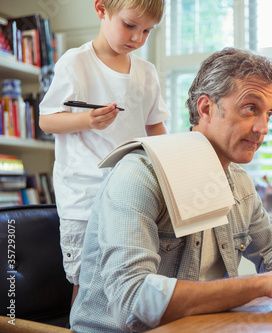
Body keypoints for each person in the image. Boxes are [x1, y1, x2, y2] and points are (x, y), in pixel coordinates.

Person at [70, 47, 272, 332]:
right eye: (251, 109)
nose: (263, 128)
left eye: (269, 113)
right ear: (206, 108)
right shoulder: (138, 175)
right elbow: (132, 301)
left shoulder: (240, 182)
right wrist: (262, 285)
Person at [38, 0, 170, 303]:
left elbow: (156, 130)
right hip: (83, 199)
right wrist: (86, 120)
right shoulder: (75, 63)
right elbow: (46, 120)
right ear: (101, 10)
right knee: (86, 283)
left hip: (131, 197)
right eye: (130, 25)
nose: (138, 38)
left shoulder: (146, 73)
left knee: (129, 279)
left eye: (147, 31)